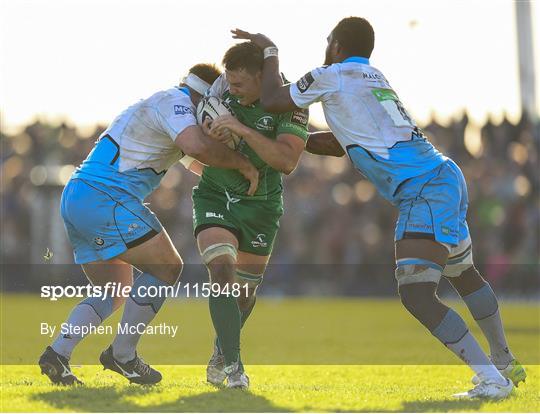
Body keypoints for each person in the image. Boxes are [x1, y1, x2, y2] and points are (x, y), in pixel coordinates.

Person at [233, 17, 526, 399]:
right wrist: (284, 141)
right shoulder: (372, 78)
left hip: (421, 188)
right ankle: (503, 361)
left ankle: (492, 379)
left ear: (337, 45)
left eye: (328, 42)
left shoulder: (332, 74)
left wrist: (269, 52)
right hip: (442, 176)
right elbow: (338, 144)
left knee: (416, 293)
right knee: (464, 274)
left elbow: (272, 99)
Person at [38, 64, 259, 386]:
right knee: (167, 267)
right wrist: (245, 163)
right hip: (105, 196)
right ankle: (122, 355)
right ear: (207, 95)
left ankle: (57, 353)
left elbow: (199, 163)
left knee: (113, 290)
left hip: (82, 195)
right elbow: (198, 149)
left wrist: (242, 168)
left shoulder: (168, 107)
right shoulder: (176, 102)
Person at [183, 42, 309, 389]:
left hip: (261, 206)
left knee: (243, 296)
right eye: (229, 82)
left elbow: (285, 162)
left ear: (261, 78)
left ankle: (221, 352)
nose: (231, 89)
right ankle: (234, 367)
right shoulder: (220, 93)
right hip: (215, 196)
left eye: (239, 84)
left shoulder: (290, 105)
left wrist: (242, 131)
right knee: (221, 268)